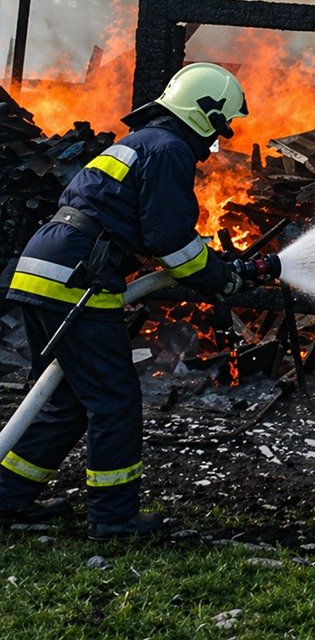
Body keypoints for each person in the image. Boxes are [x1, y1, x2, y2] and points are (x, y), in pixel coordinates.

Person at [0, 63, 279, 539]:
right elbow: (170, 240)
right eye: (223, 123)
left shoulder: (141, 143)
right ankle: (113, 517)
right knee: (115, 400)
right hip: (78, 279)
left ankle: (7, 500)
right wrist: (224, 278)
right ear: (205, 114)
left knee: (67, 398)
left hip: (43, 269)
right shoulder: (169, 151)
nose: (223, 135)